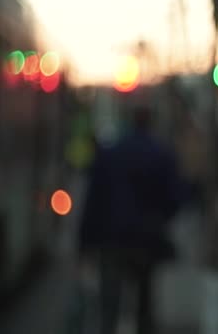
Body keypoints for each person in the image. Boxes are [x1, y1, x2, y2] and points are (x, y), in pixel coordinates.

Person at [78, 104, 184, 334]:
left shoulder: (110, 154)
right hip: (146, 239)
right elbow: (176, 198)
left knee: (109, 303)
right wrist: (159, 220)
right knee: (145, 303)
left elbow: (93, 200)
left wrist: (85, 242)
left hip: (112, 239)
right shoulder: (162, 154)